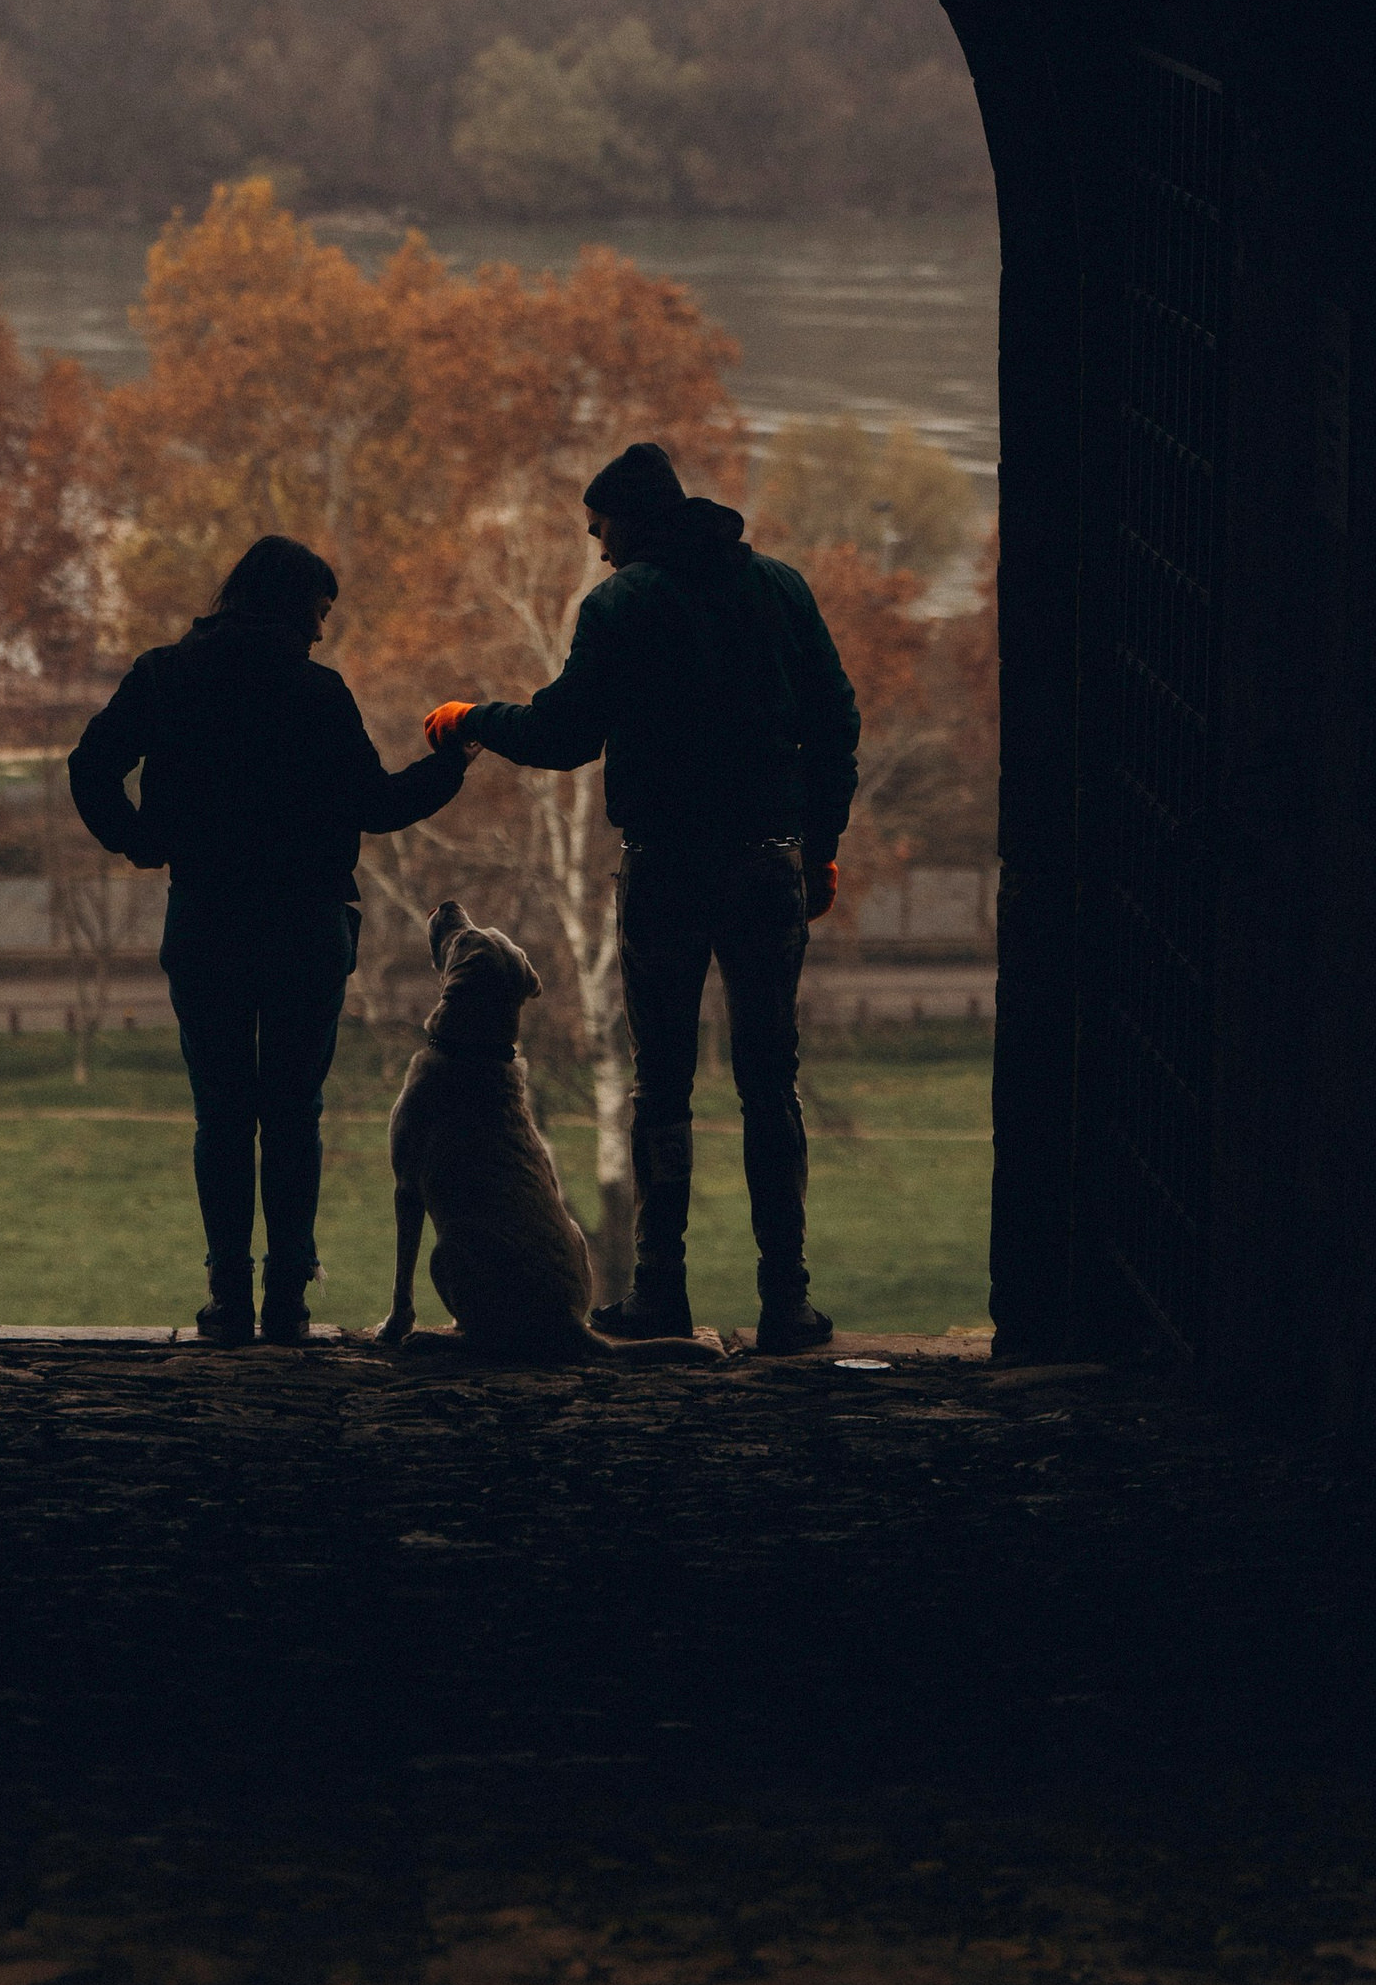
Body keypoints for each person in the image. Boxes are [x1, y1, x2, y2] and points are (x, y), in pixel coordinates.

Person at [425, 440, 860, 1351]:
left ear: (628, 523)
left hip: (668, 869)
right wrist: (820, 848)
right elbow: (835, 718)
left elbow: (564, 732)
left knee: (661, 1087)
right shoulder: (779, 587)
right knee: (770, 1083)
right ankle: (787, 1299)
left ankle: (662, 1289)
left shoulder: (623, 604)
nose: (596, 549)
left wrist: (472, 720)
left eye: (598, 530)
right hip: (769, 865)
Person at [68, 533, 470, 1345]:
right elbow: (378, 805)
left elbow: (90, 766)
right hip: (304, 923)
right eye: (320, 612)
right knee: (293, 1114)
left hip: (207, 917)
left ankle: (228, 1295)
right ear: (295, 608)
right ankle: (288, 1296)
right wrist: (452, 763)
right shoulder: (317, 693)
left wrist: (140, 839)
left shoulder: (165, 675)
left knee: (220, 1114)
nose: (323, 632)